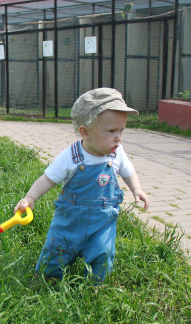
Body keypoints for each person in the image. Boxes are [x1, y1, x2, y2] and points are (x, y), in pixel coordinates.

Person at [14, 88, 150, 284]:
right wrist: (30, 198)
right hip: (70, 220)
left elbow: (128, 172)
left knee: (103, 252)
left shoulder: (117, 153)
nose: (119, 137)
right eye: (111, 131)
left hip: (102, 220)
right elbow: (48, 179)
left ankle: (94, 286)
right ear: (85, 132)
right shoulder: (71, 156)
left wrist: (137, 189)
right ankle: (47, 280)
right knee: (57, 250)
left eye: (121, 130)